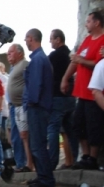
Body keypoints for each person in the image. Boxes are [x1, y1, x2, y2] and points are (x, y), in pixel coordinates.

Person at [61, 11, 104, 170]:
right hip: (80, 92)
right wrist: (65, 78)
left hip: (95, 93)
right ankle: (85, 155)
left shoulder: (102, 41)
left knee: (94, 126)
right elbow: (75, 61)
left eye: (88, 21)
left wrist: (82, 61)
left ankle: (93, 158)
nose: (86, 24)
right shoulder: (86, 40)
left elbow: (99, 64)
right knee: (77, 123)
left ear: (97, 23)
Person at [23, 28, 55, 187]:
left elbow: (36, 85)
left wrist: (31, 102)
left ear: (31, 38)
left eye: (26, 39)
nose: (25, 42)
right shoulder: (41, 58)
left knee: (37, 146)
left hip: (37, 107)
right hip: (41, 107)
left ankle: (46, 180)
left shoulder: (37, 60)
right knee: (38, 144)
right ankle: (42, 176)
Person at [47, 29, 78, 170]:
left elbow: (46, 74)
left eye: (52, 39)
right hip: (71, 97)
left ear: (58, 39)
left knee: (53, 129)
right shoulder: (69, 54)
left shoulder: (54, 56)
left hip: (58, 96)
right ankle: (74, 160)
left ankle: (52, 162)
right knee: (70, 130)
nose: (50, 41)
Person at [6, 44, 32, 172]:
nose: (8, 54)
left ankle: (25, 163)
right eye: (8, 53)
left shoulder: (25, 65)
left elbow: (30, 84)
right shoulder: (13, 67)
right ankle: (20, 163)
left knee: (23, 136)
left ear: (20, 53)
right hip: (14, 107)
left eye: (11, 52)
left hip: (22, 107)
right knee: (16, 137)